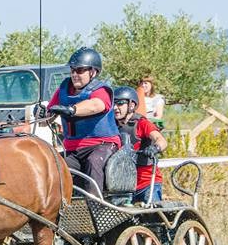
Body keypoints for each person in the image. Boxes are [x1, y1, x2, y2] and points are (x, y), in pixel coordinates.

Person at [38, 47, 123, 193]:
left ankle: (96, 207)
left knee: (94, 161)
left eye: (80, 70)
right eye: (72, 70)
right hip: (72, 149)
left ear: (93, 72)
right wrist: (42, 115)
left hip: (102, 144)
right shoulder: (63, 89)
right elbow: (46, 119)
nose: (74, 74)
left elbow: (96, 105)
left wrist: (71, 110)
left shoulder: (100, 90)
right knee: (55, 166)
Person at [112, 85, 168, 203]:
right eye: (113, 104)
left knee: (153, 217)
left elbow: (161, 140)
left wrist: (155, 148)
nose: (115, 108)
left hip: (147, 183)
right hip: (123, 186)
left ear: (131, 105)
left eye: (120, 104)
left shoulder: (142, 123)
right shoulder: (112, 126)